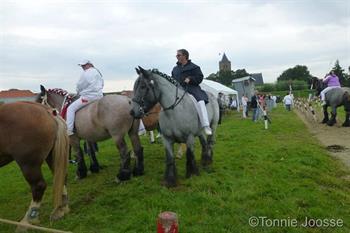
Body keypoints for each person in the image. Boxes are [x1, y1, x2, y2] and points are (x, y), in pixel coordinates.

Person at [171, 49, 212, 135]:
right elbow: (172, 80)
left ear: (184, 56)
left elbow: (200, 77)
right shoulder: (175, 69)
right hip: (179, 89)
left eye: (178, 55)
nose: (177, 57)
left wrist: (190, 79)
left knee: (200, 102)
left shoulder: (194, 67)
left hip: (192, 88)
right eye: (176, 55)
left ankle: (205, 125)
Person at [66, 59, 104, 136]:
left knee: (70, 109)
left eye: (84, 65)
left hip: (87, 98)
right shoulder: (98, 72)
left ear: (89, 64)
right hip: (100, 96)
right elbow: (102, 84)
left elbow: (80, 85)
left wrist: (78, 91)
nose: (83, 67)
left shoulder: (85, 73)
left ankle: (69, 130)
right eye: (82, 66)